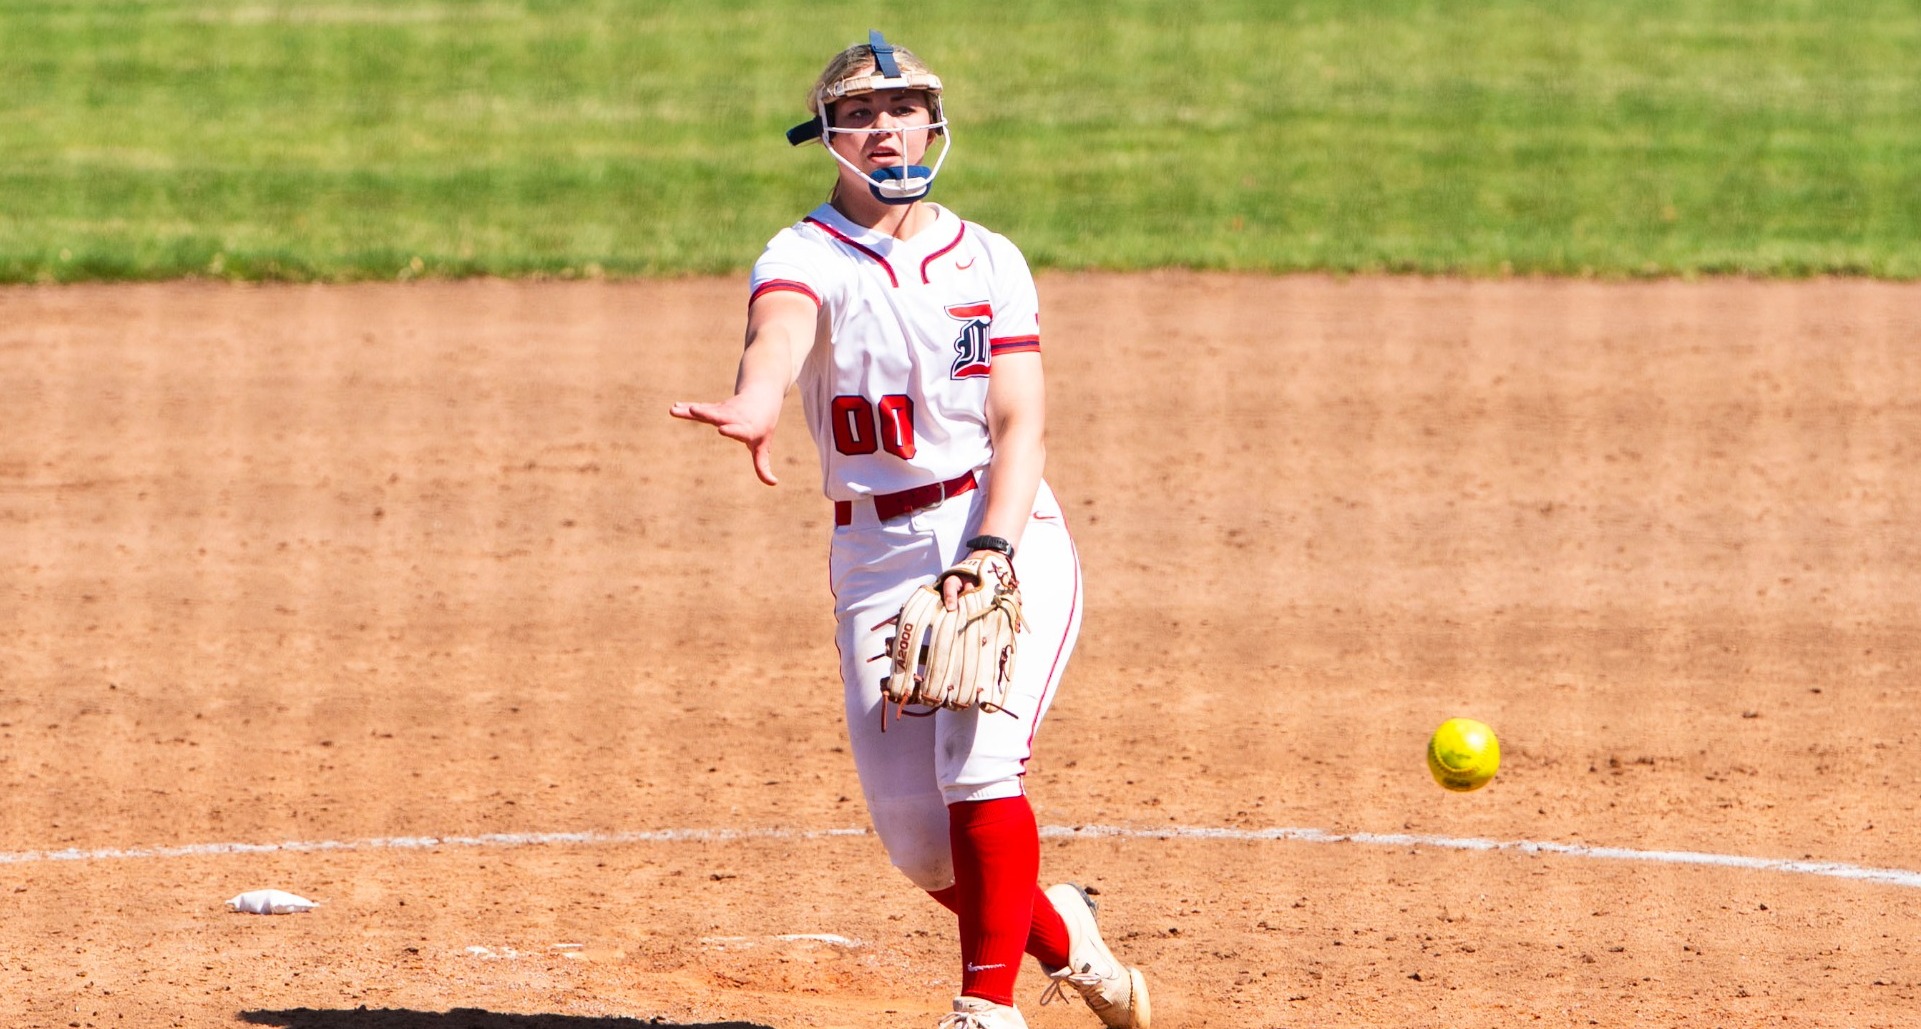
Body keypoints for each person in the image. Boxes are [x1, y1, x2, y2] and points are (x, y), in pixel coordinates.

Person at [669, 30, 1151, 1029]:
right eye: (858, 114)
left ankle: (986, 1009)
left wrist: (990, 553)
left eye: (903, 109)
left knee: (979, 768)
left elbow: (1019, 424)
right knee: (922, 849)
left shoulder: (989, 258)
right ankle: (1069, 939)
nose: (884, 128)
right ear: (828, 136)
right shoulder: (803, 254)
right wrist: (756, 398)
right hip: (875, 553)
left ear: (933, 125)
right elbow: (779, 331)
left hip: (998, 525)